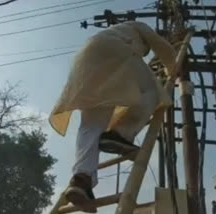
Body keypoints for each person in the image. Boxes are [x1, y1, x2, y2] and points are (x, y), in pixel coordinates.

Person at [49, 21, 176, 211]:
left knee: (91, 123)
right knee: (153, 92)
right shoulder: (138, 27)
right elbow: (160, 44)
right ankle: (120, 135)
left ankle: (81, 179)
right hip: (113, 51)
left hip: (85, 60)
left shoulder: (117, 30)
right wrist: (174, 68)